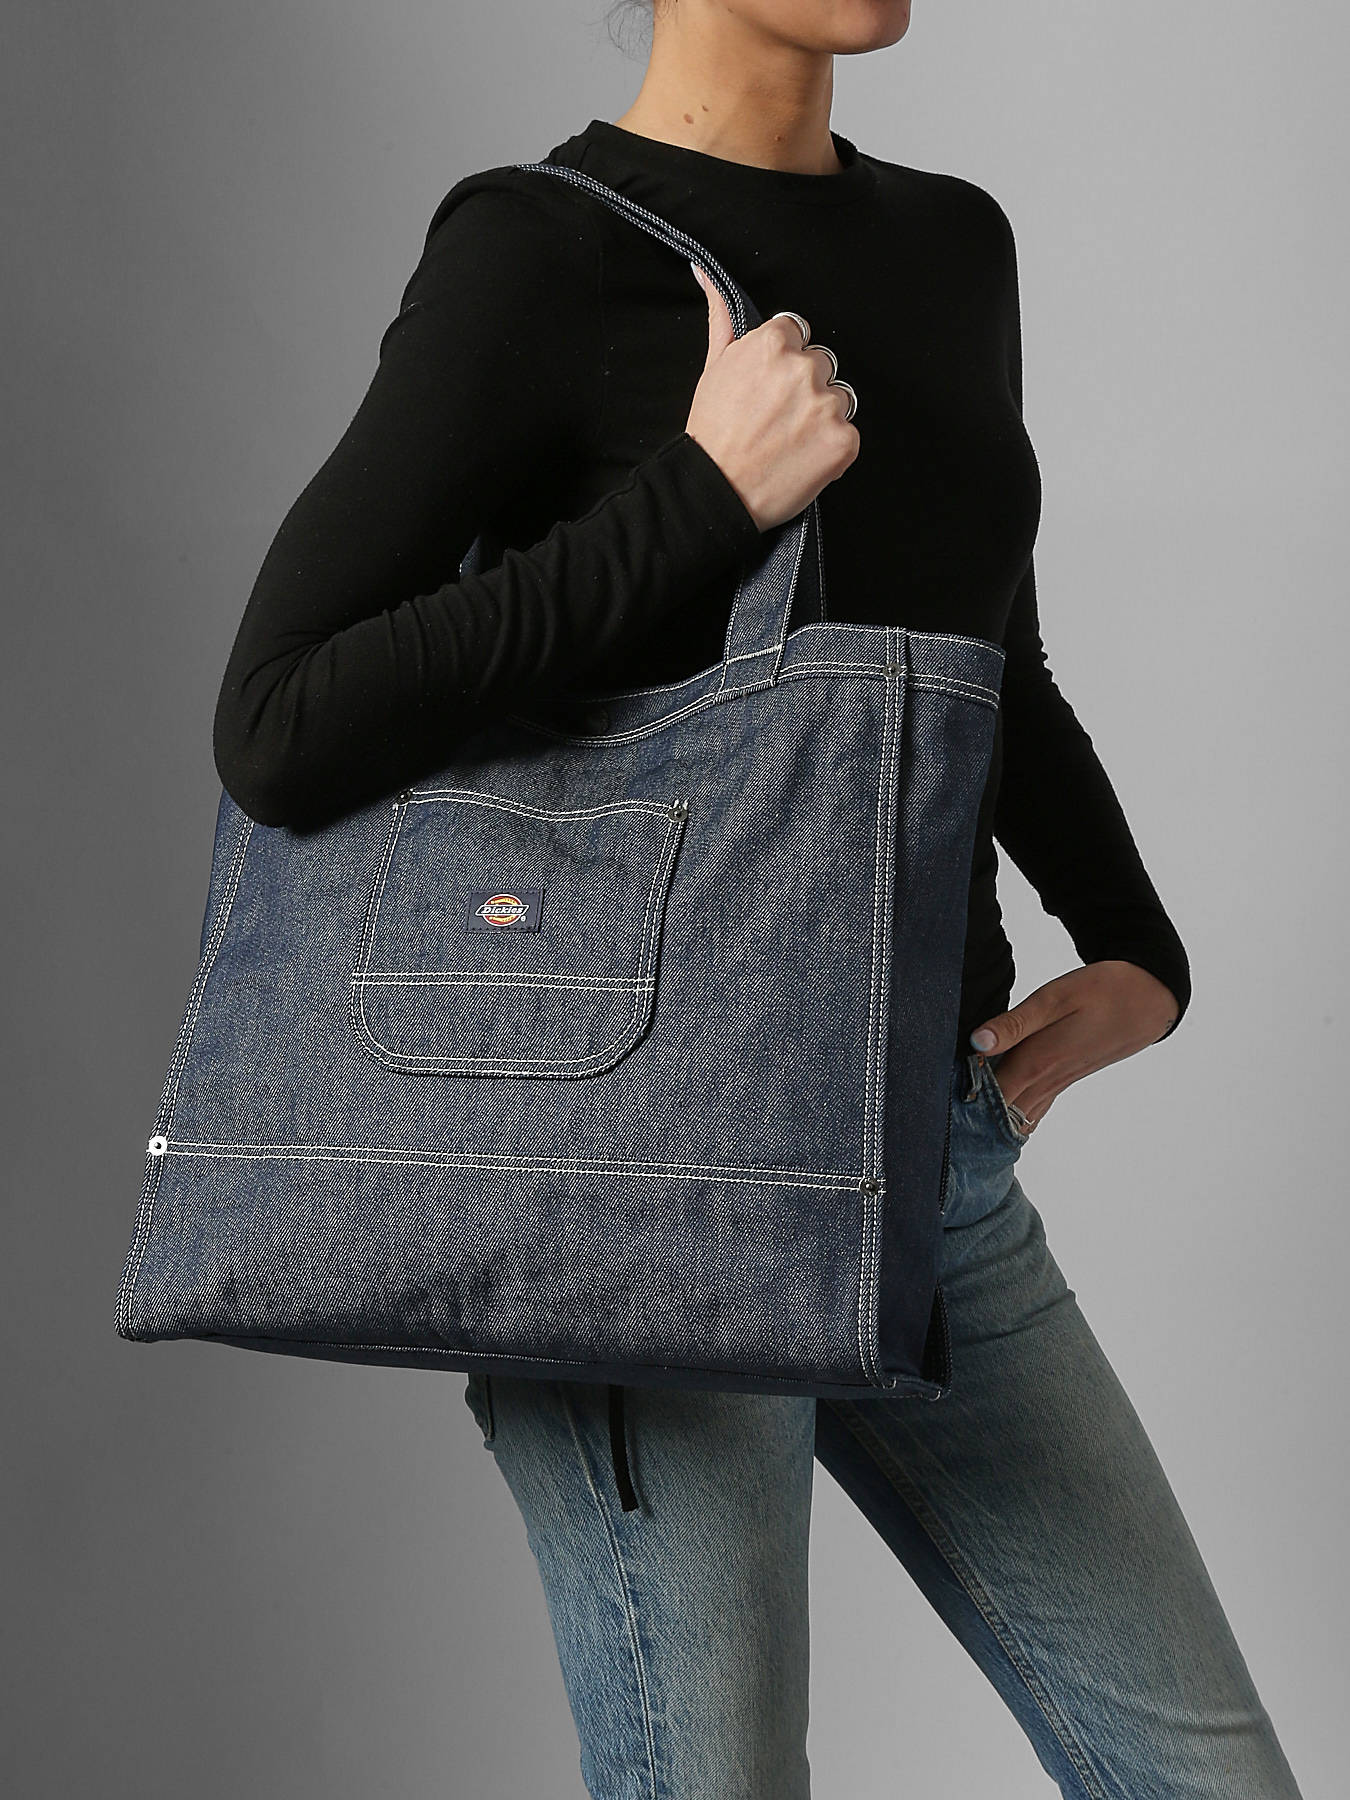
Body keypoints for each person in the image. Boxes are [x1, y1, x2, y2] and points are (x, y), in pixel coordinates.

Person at [212, 2, 1304, 1793]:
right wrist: (703, 499)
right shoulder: (534, 254)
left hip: (925, 1154)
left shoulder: (951, 243)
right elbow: (280, 725)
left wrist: (1135, 946)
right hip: (648, 1185)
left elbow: (990, 655)